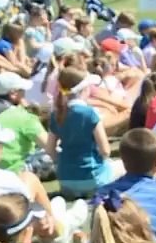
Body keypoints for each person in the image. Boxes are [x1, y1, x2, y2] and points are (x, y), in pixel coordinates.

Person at [49, 68, 122, 199]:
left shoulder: (55, 115)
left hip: (66, 181)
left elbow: (50, 150)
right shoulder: (89, 113)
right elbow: (106, 151)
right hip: (93, 179)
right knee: (122, 166)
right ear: (84, 89)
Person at [0, 72, 55, 181]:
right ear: (13, 94)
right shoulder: (23, 117)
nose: (24, 93)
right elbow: (50, 147)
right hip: (15, 170)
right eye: (22, 91)